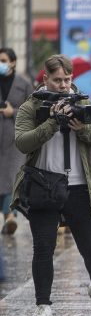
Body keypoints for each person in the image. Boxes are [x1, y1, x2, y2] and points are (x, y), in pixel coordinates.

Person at [11, 54, 91, 316]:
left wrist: (82, 129)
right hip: (44, 184)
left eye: (68, 79)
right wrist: (51, 123)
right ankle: (43, 307)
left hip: (80, 185)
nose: (64, 85)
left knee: (90, 247)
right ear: (45, 78)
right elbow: (22, 142)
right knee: (43, 248)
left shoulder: (84, 102)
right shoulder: (31, 107)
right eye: (57, 80)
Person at [0, 47, 33, 235]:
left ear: (13, 62)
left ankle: (10, 216)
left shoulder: (24, 84)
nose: (1, 64)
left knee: (12, 178)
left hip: (15, 138)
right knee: (1, 179)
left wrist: (14, 112)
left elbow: (33, 110)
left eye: (3, 60)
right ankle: (7, 217)